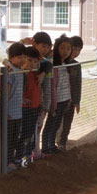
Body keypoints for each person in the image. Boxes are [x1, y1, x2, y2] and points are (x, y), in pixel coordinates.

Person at [41, 35, 74, 155]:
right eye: (62, 48)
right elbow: (51, 85)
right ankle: (45, 147)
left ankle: (51, 145)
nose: (65, 51)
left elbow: (67, 83)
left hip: (65, 99)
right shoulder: (51, 64)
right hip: (56, 100)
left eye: (68, 49)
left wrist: (69, 98)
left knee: (56, 124)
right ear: (56, 48)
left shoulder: (66, 64)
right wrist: (51, 102)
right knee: (50, 123)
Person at [3, 42, 27, 169]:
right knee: (6, 140)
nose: (22, 59)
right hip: (9, 113)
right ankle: (1, 163)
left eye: (24, 56)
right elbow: (6, 93)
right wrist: (4, 110)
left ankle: (10, 161)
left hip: (18, 112)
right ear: (11, 58)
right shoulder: (10, 72)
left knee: (13, 139)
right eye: (19, 57)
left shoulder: (20, 71)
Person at [57, 36, 84, 150]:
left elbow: (78, 84)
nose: (76, 52)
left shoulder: (76, 65)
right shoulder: (59, 62)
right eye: (73, 48)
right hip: (59, 99)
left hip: (71, 100)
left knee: (67, 122)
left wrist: (77, 101)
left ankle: (62, 143)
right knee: (56, 122)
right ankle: (51, 144)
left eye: (79, 50)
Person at [19, 45, 43, 166]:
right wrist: (22, 99)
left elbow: (48, 64)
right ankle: (20, 158)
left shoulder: (36, 72)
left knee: (31, 134)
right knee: (23, 134)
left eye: (35, 61)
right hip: (24, 109)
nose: (32, 64)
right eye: (29, 60)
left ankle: (27, 156)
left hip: (35, 108)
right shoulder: (22, 73)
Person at [32, 32, 54, 160]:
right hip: (30, 103)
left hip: (41, 102)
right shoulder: (28, 57)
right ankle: (30, 153)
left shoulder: (45, 62)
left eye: (48, 47)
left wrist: (43, 73)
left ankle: (36, 152)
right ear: (35, 44)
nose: (45, 50)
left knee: (38, 128)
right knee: (30, 129)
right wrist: (25, 42)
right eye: (43, 46)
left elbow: (49, 65)